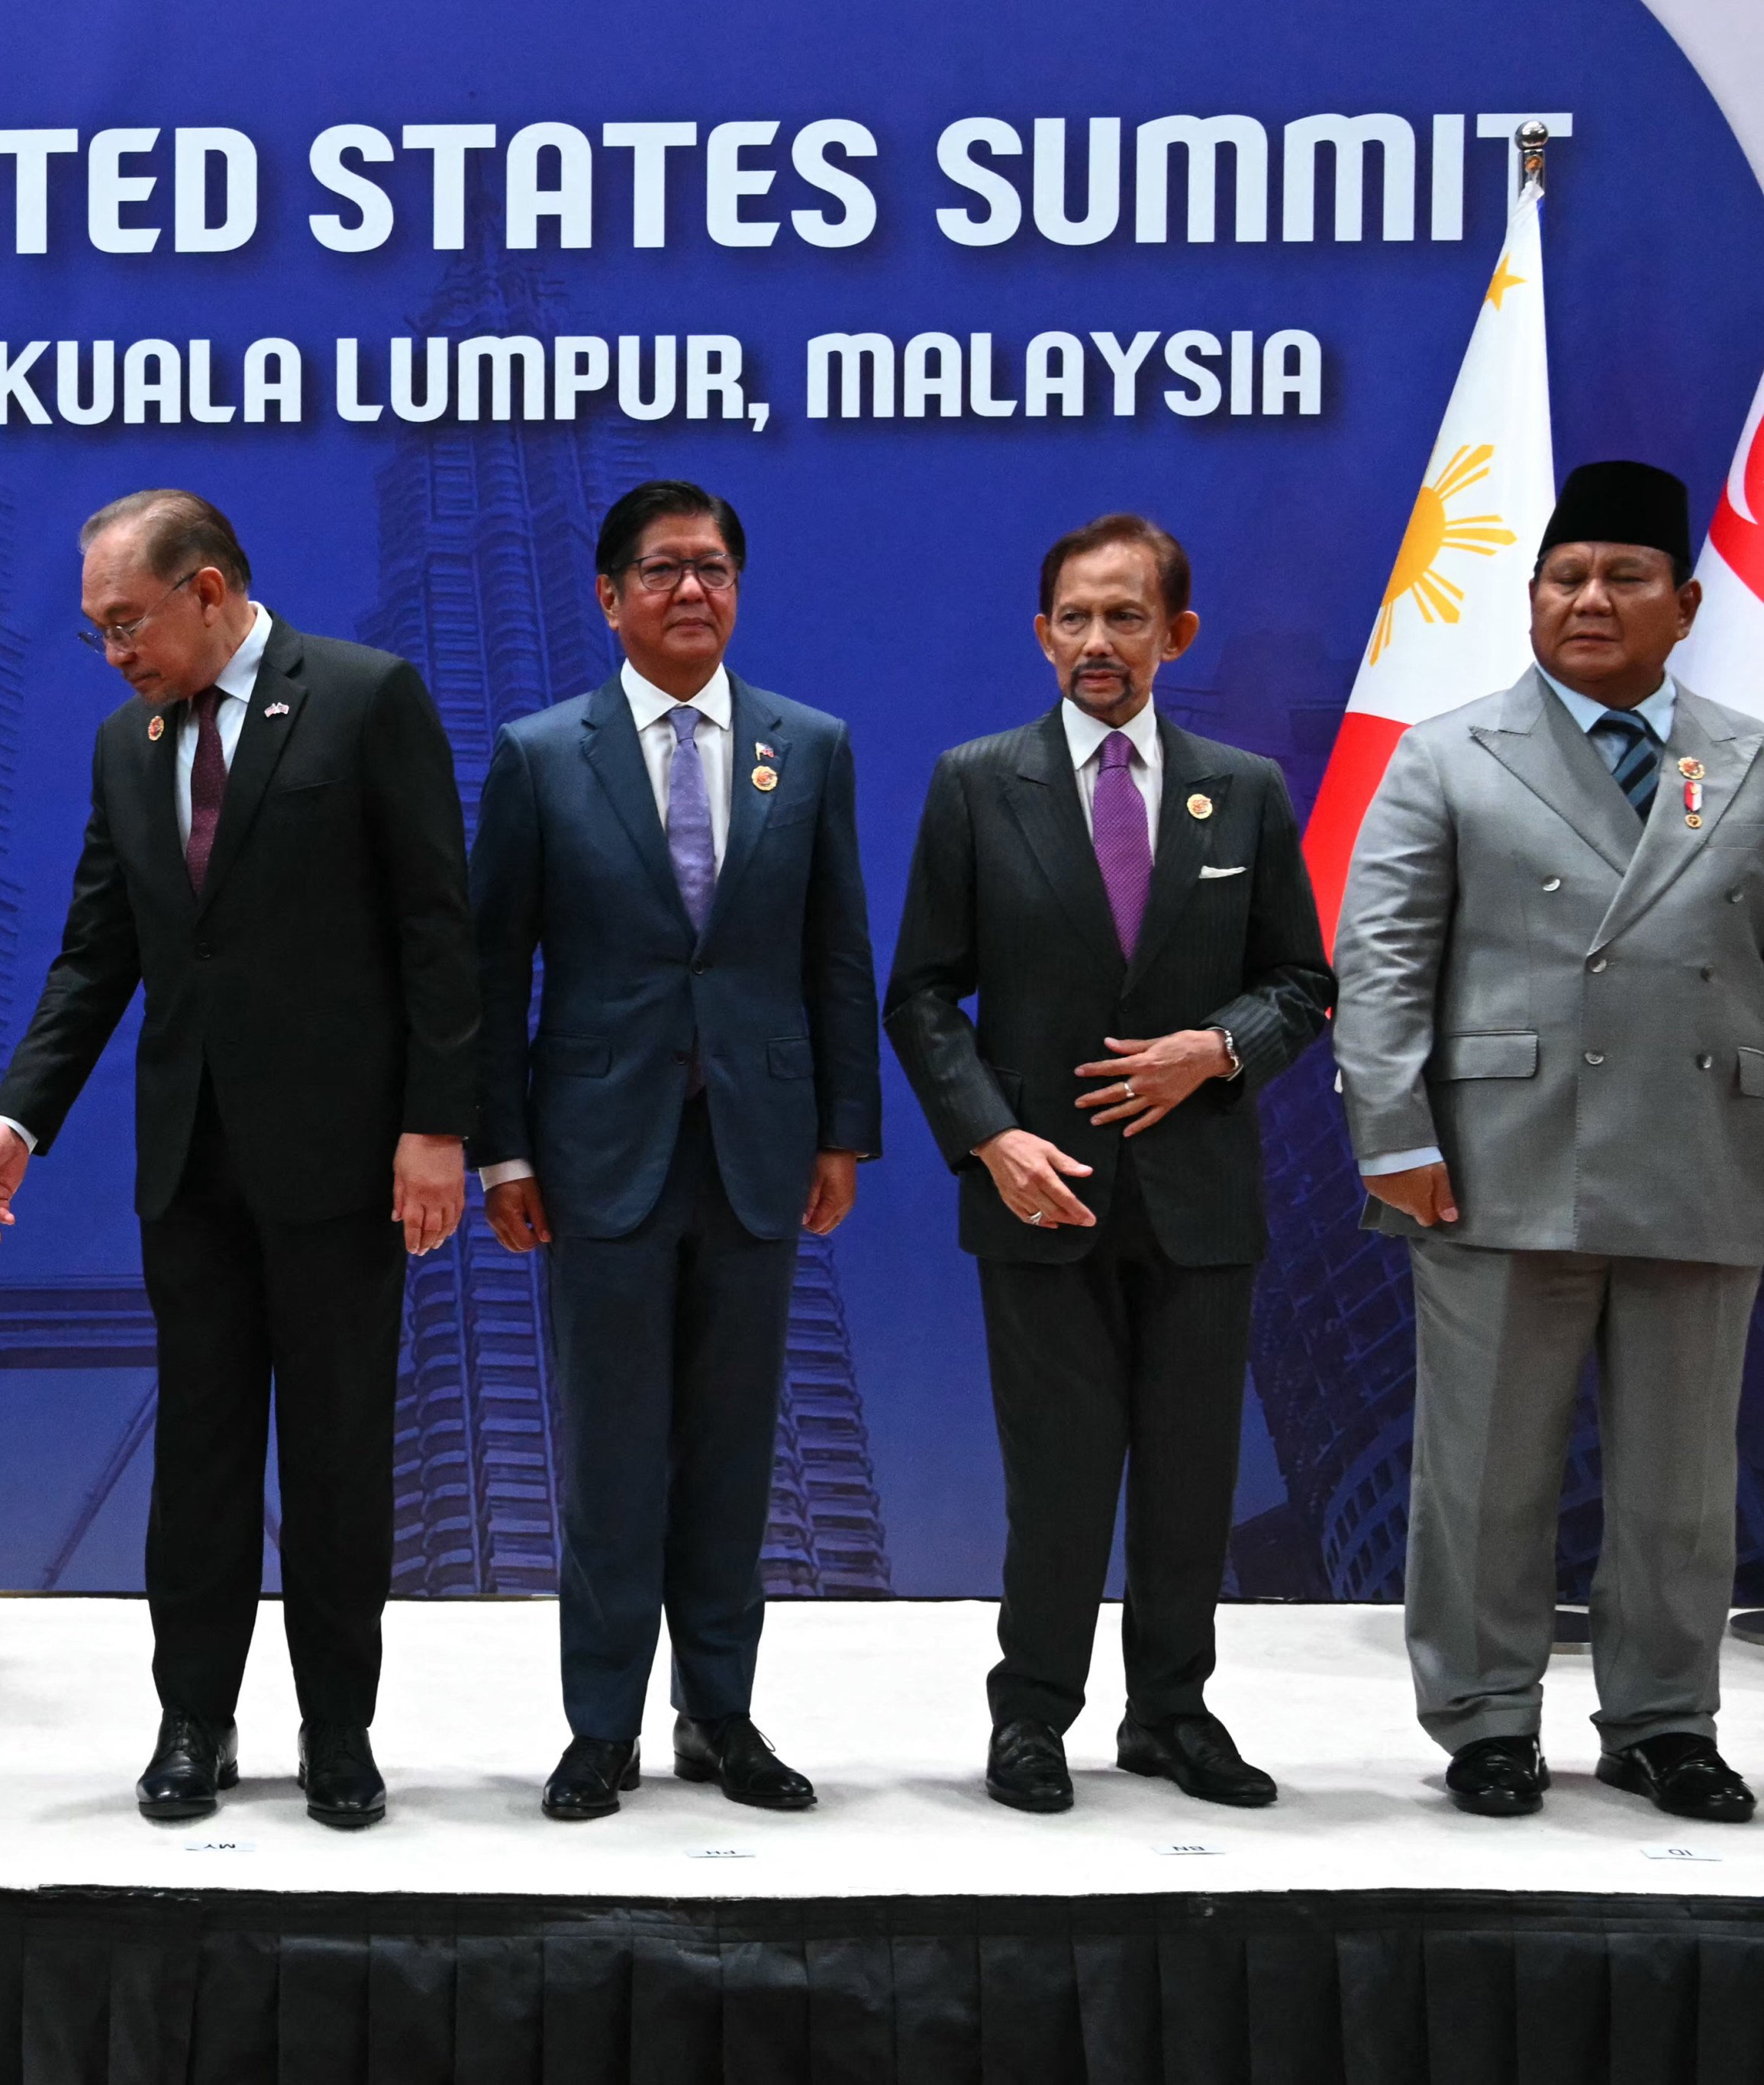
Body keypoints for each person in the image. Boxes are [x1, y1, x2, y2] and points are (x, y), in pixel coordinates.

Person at [0, 490, 476, 1829]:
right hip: (191, 1163)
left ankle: (338, 1734)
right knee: (199, 1455)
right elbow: (94, 958)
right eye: (95, 633)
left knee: (342, 1454)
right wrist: (17, 1118)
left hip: (347, 1158)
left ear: (212, 588)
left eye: (127, 622)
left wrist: (437, 1125)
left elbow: (437, 930)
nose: (115, 652)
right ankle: (195, 1721)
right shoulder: (130, 748)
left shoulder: (363, 697)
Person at [884, 513, 1329, 1815]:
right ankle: (1031, 1717)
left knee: (1192, 1478)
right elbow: (921, 995)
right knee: (1059, 1477)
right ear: (1041, 635)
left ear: (1175, 636)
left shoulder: (1239, 787)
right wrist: (989, 1136)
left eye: (1126, 617)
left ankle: (1172, 1716)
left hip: (1199, 1195)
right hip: (1041, 1194)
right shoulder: (979, 782)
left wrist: (1220, 1048)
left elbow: (1303, 982)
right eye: (1075, 618)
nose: (1097, 642)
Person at [1337, 460, 1760, 1825]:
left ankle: (1661, 1722)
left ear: (1683, 603)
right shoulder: (1448, 752)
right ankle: (1485, 1716)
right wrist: (1392, 1136)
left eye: (1623, 577)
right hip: (1495, 1159)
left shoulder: (1747, 759)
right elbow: (1384, 962)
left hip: (1705, 1149)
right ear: (1528, 601)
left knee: (1681, 1486)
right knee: (1482, 1474)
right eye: (1566, 577)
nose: (1591, 599)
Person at [469, 480, 877, 1822]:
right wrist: (504, 1153)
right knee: (610, 1455)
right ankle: (602, 1729)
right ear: (609, 596)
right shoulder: (541, 755)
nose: (689, 591)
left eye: (712, 569)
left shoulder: (807, 747)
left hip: (758, 1148)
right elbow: (492, 972)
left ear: (739, 590)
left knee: (732, 1452)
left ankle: (723, 1718)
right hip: (597, 1155)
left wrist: (843, 1133)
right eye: (660, 571)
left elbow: (835, 955)